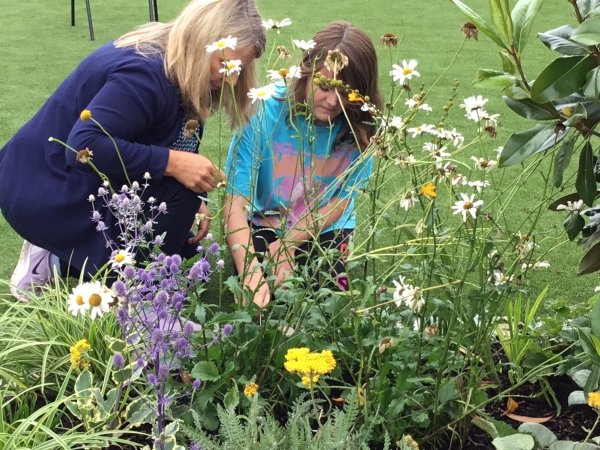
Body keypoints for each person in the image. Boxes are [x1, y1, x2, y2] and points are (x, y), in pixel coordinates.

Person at [0, 0, 266, 299]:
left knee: (181, 234)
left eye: (240, 69)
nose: (231, 78)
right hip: (40, 185)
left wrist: (189, 189)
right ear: (204, 39)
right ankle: (135, 304)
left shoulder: (175, 63)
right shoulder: (145, 74)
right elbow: (81, 147)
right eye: (225, 64)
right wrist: (174, 163)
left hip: (60, 179)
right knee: (177, 201)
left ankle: (57, 260)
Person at [223, 21, 382, 307]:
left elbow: (340, 202)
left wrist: (290, 244)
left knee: (326, 304)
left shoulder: (363, 128)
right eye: (324, 85)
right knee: (261, 301)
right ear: (306, 72)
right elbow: (235, 203)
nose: (333, 101)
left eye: (346, 92)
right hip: (262, 221)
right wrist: (250, 270)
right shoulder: (262, 110)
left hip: (323, 227)